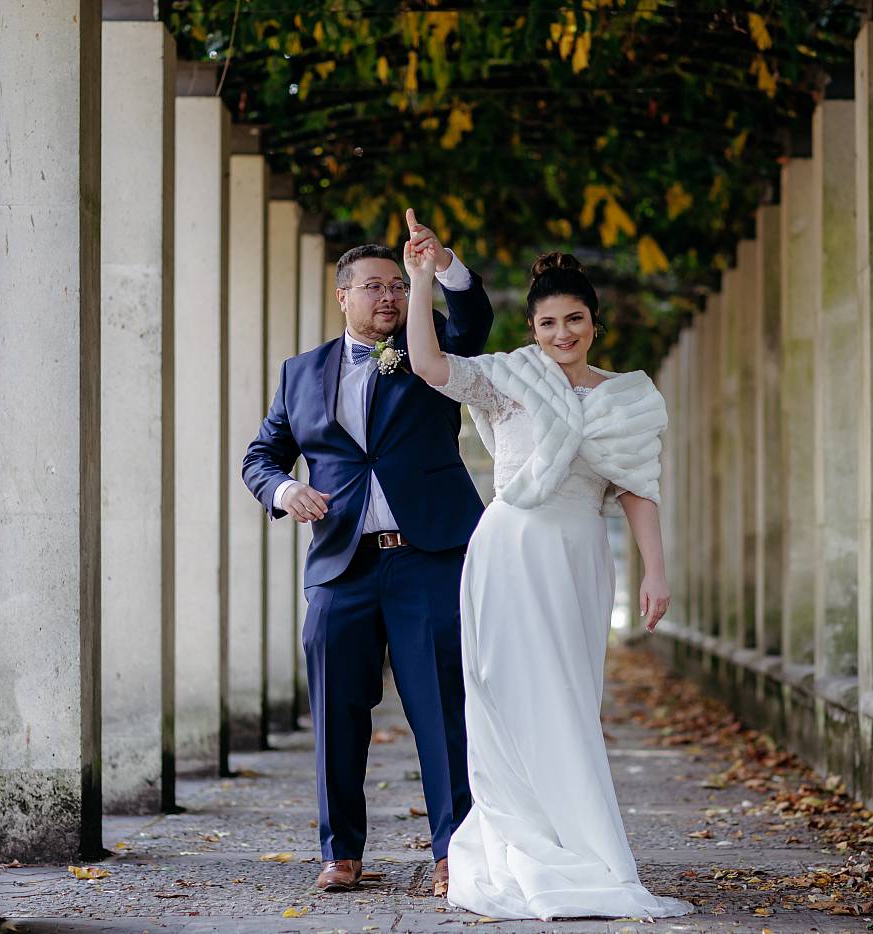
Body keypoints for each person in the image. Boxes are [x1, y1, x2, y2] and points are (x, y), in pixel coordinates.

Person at [401, 241, 693, 921]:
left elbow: (636, 490)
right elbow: (426, 363)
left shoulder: (628, 396)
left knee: (567, 697)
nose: (562, 334)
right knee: (506, 694)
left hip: (577, 556)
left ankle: (581, 843)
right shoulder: (510, 378)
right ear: (531, 332)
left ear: (594, 321)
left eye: (573, 320)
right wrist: (421, 281)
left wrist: (656, 570)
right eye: (547, 324)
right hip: (506, 550)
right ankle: (517, 837)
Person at [241, 211, 493, 897]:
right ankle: (341, 853)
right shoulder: (300, 373)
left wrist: (442, 268)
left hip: (430, 559)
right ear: (343, 296)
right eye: (375, 286)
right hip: (339, 568)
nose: (388, 297)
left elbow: (472, 322)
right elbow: (261, 455)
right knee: (336, 713)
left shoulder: (429, 346)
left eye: (395, 286)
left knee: (442, 710)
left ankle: (455, 854)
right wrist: (286, 488)